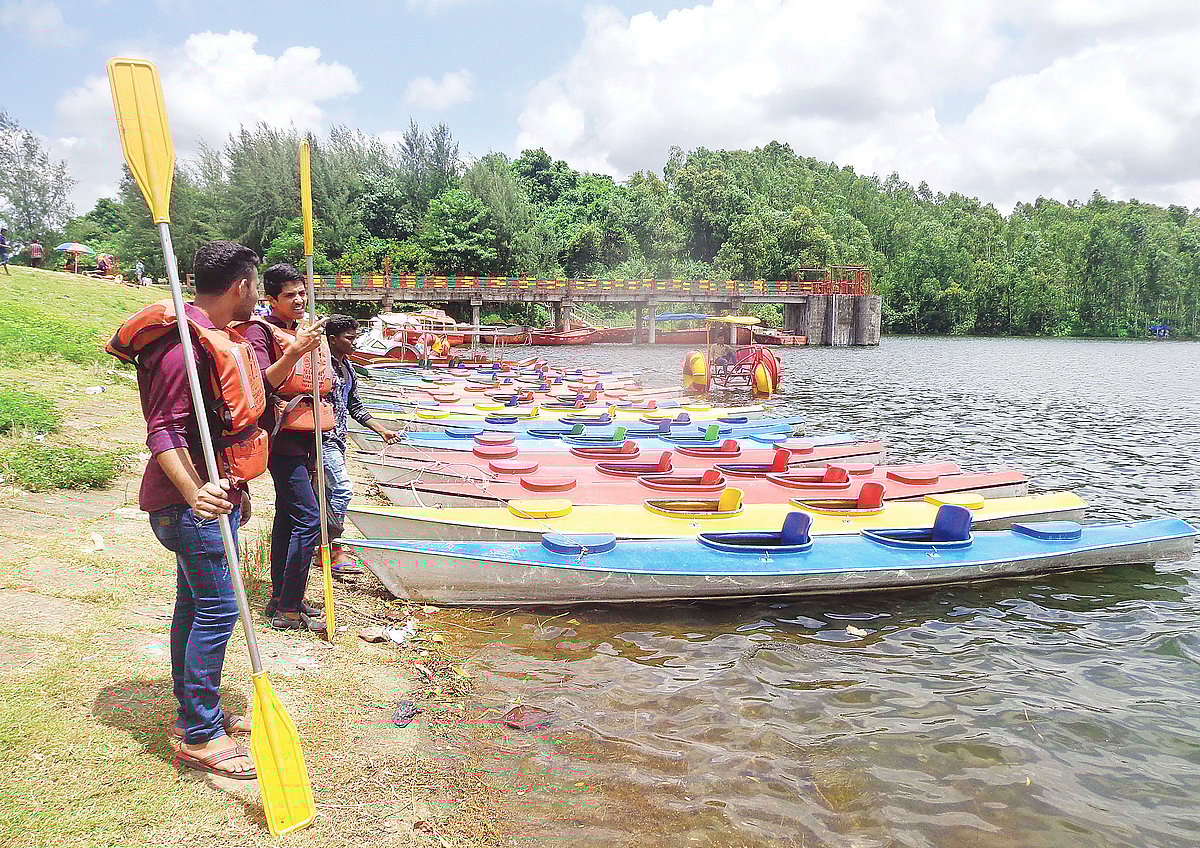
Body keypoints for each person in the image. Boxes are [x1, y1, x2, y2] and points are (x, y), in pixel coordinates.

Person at [107, 240, 266, 780]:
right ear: (241, 285)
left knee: (195, 605)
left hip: (210, 500)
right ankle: (199, 732)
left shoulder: (212, 337)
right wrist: (196, 492)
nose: (260, 296)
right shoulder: (183, 348)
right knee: (219, 609)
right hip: (191, 507)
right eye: (258, 285)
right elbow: (163, 431)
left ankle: (196, 710)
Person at [236, 264, 330, 631]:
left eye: (302, 292)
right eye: (290, 295)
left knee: (289, 517)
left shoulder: (303, 330)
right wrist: (295, 352)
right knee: (310, 519)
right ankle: (289, 608)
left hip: (309, 434)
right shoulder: (260, 334)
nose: (299, 300)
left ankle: (283, 597)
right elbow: (260, 383)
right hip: (281, 436)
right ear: (271, 299)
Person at [323, 315, 399, 574]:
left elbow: (355, 406)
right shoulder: (322, 367)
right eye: (349, 338)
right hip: (322, 439)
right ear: (332, 340)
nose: (355, 343)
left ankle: (319, 546)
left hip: (339, 440)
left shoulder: (348, 369)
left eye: (355, 337)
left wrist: (382, 431)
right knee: (342, 490)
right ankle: (333, 547)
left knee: (327, 494)